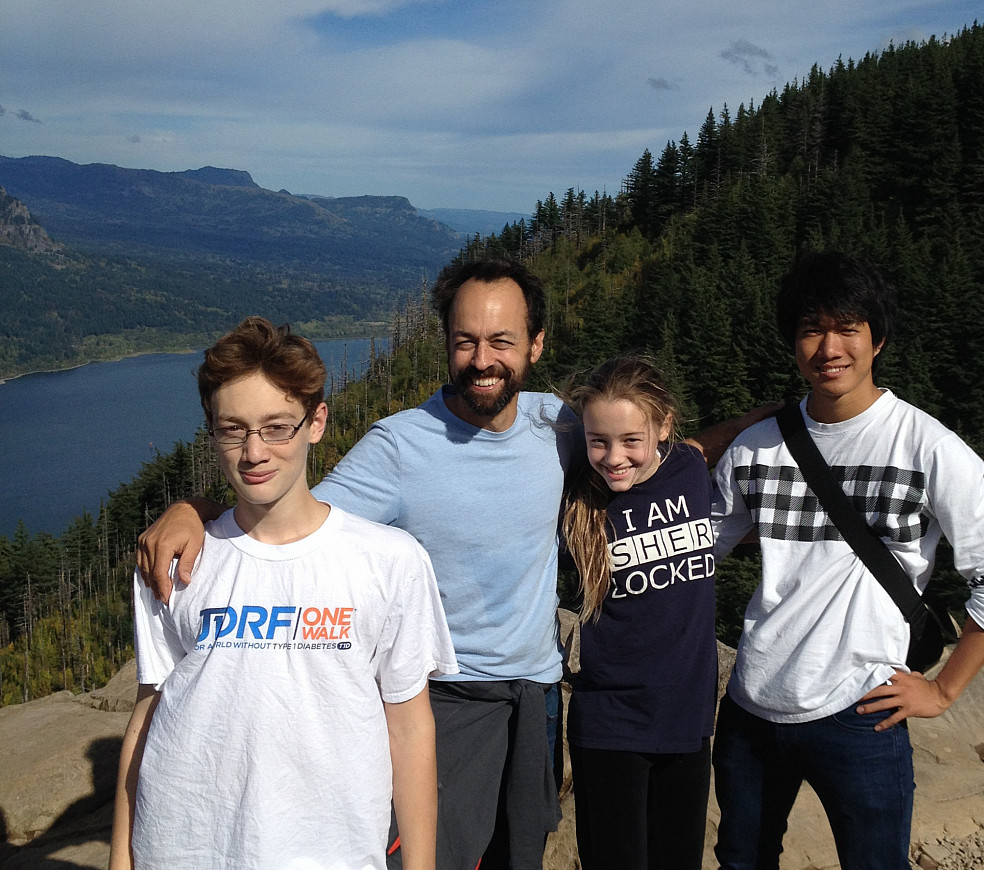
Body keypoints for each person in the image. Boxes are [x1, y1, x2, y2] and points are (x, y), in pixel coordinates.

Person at [136, 259, 584, 870]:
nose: (483, 360)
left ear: (535, 344)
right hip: (442, 699)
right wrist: (191, 509)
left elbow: (643, 454)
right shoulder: (400, 446)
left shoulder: (557, 425)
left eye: (501, 341)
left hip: (535, 692)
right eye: (465, 341)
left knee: (520, 854)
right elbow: (287, 516)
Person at [710, 251, 984, 870]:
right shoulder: (757, 447)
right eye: (811, 329)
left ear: (877, 339)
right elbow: (700, 550)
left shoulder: (927, 447)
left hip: (862, 713)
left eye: (847, 327)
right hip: (751, 707)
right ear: (792, 342)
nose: (829, 347)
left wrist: (942, 690)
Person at [111, 316, 456, 870]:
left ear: (315, 422)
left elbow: (411, 726)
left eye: (277, 427)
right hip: (182, 847)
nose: (254, 452)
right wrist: (121, 859)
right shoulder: (174, 561)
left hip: (330, 852)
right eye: (233, 429)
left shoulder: (390, 562)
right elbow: (149, 715)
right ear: (212, 430)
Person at [560, 357, 719, 870]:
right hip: (611, 727)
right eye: (597, 440)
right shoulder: (576, 500)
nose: (613, 457)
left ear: (664, 425)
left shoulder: (690, 468)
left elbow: (726, 435)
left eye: (632, 439)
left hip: (688, 720)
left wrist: (786, 410)